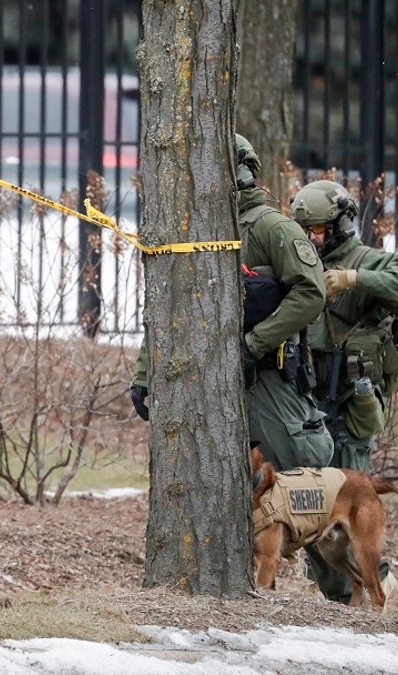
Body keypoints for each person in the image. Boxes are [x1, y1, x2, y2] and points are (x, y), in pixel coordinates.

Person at [131, 134, 334, 474]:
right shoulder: (189, 232)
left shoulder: (272, 228)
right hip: (202, 377)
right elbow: (168, 307)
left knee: (293, 472)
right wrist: (144, 374)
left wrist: (254, 345)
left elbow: (310, 293)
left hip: (268, 378)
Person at [291, 178, 398, 603]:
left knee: (347, 506)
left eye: (318, 230)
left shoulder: (371, 261)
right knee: (313, 510)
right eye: (306, 231)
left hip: (351, 405)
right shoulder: (298, 262)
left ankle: (372, 584)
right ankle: (344, 585)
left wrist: (354, 278)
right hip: (309, 402)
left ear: (340, 224)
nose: (312, 239)